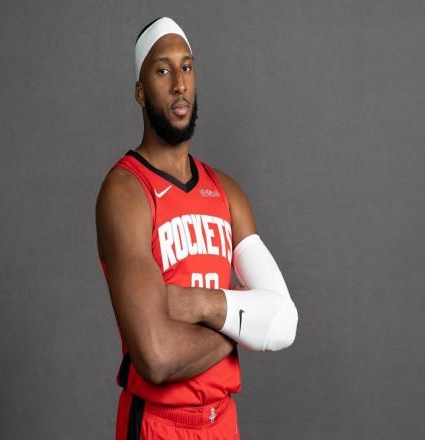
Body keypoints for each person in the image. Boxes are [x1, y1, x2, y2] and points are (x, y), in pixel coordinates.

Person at [95, 16, 299, 440]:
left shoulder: (226, 192)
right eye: (162, 70)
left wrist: (200, 305)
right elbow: (156, 355)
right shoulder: (126, 192)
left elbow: (283, 322)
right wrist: (241, 326)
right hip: (157, 424)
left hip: (221, 422)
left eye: (186, 67)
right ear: (140, 91)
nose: (179, 84)